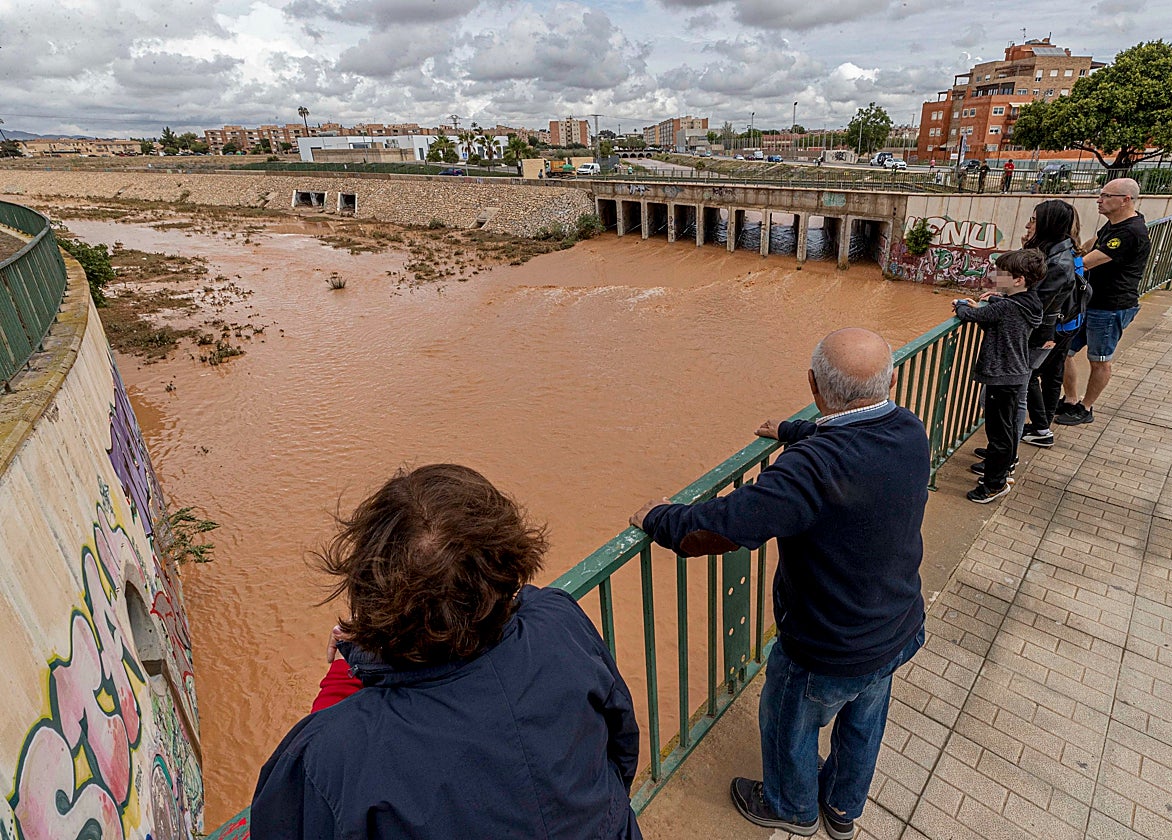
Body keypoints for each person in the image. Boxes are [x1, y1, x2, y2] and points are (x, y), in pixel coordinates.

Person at [630, 328, 929, 840]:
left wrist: (656, 517)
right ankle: (842, 809)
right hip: (896, 625)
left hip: (826, 644)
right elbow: (851, 440)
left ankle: (790, 807)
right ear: (893, 381)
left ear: (813, 386)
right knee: (863, 724)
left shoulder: (809, 470)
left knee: (788, 721)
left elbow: (720, 527)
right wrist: (793, 430)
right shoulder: (908, 428)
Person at [252, 464, 642, 840]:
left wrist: (352, 665)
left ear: (367, 592)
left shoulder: (329, 753)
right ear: (508, 563)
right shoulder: (558, 622)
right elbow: (621, 741)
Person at [1056, 177, 1151, 426]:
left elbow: (1088, 262)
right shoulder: (1114, 225)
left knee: (1099, 360)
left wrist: (1055, 266)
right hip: (1090, 302)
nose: (1100, 200)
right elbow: (1091, 246)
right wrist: (1074, 252)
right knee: (1063, 351)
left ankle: (1085, 407)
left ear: (1125, 200)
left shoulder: (1131, 232)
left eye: (1107, 196)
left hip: (1111, 307)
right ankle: (1071, 400)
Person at [954, 249, 1045, 503]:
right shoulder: (1028, 303)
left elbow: (971, 315)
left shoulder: (1007, 308)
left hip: (1001, 376)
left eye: (1001, 273)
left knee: (998, 433)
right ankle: (1002, 471)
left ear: (1018, 280)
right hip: (1015, 374)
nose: (995, 275)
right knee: (1003, 430)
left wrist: (961, 305)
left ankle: (994, 484)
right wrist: (992, 301)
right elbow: (1000, 315)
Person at [1020, 201, 1085, 448]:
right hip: (1054, 327)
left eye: (1034, 220)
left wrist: (998, 300)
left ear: (1048, 224)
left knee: (1027, 377)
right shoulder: (1056, 253)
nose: (1028, 224)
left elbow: (1030, 302)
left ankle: (1036, 432)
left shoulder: (1057, 262)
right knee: (1035, 376)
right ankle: (1041, 427)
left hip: (1043, 330)